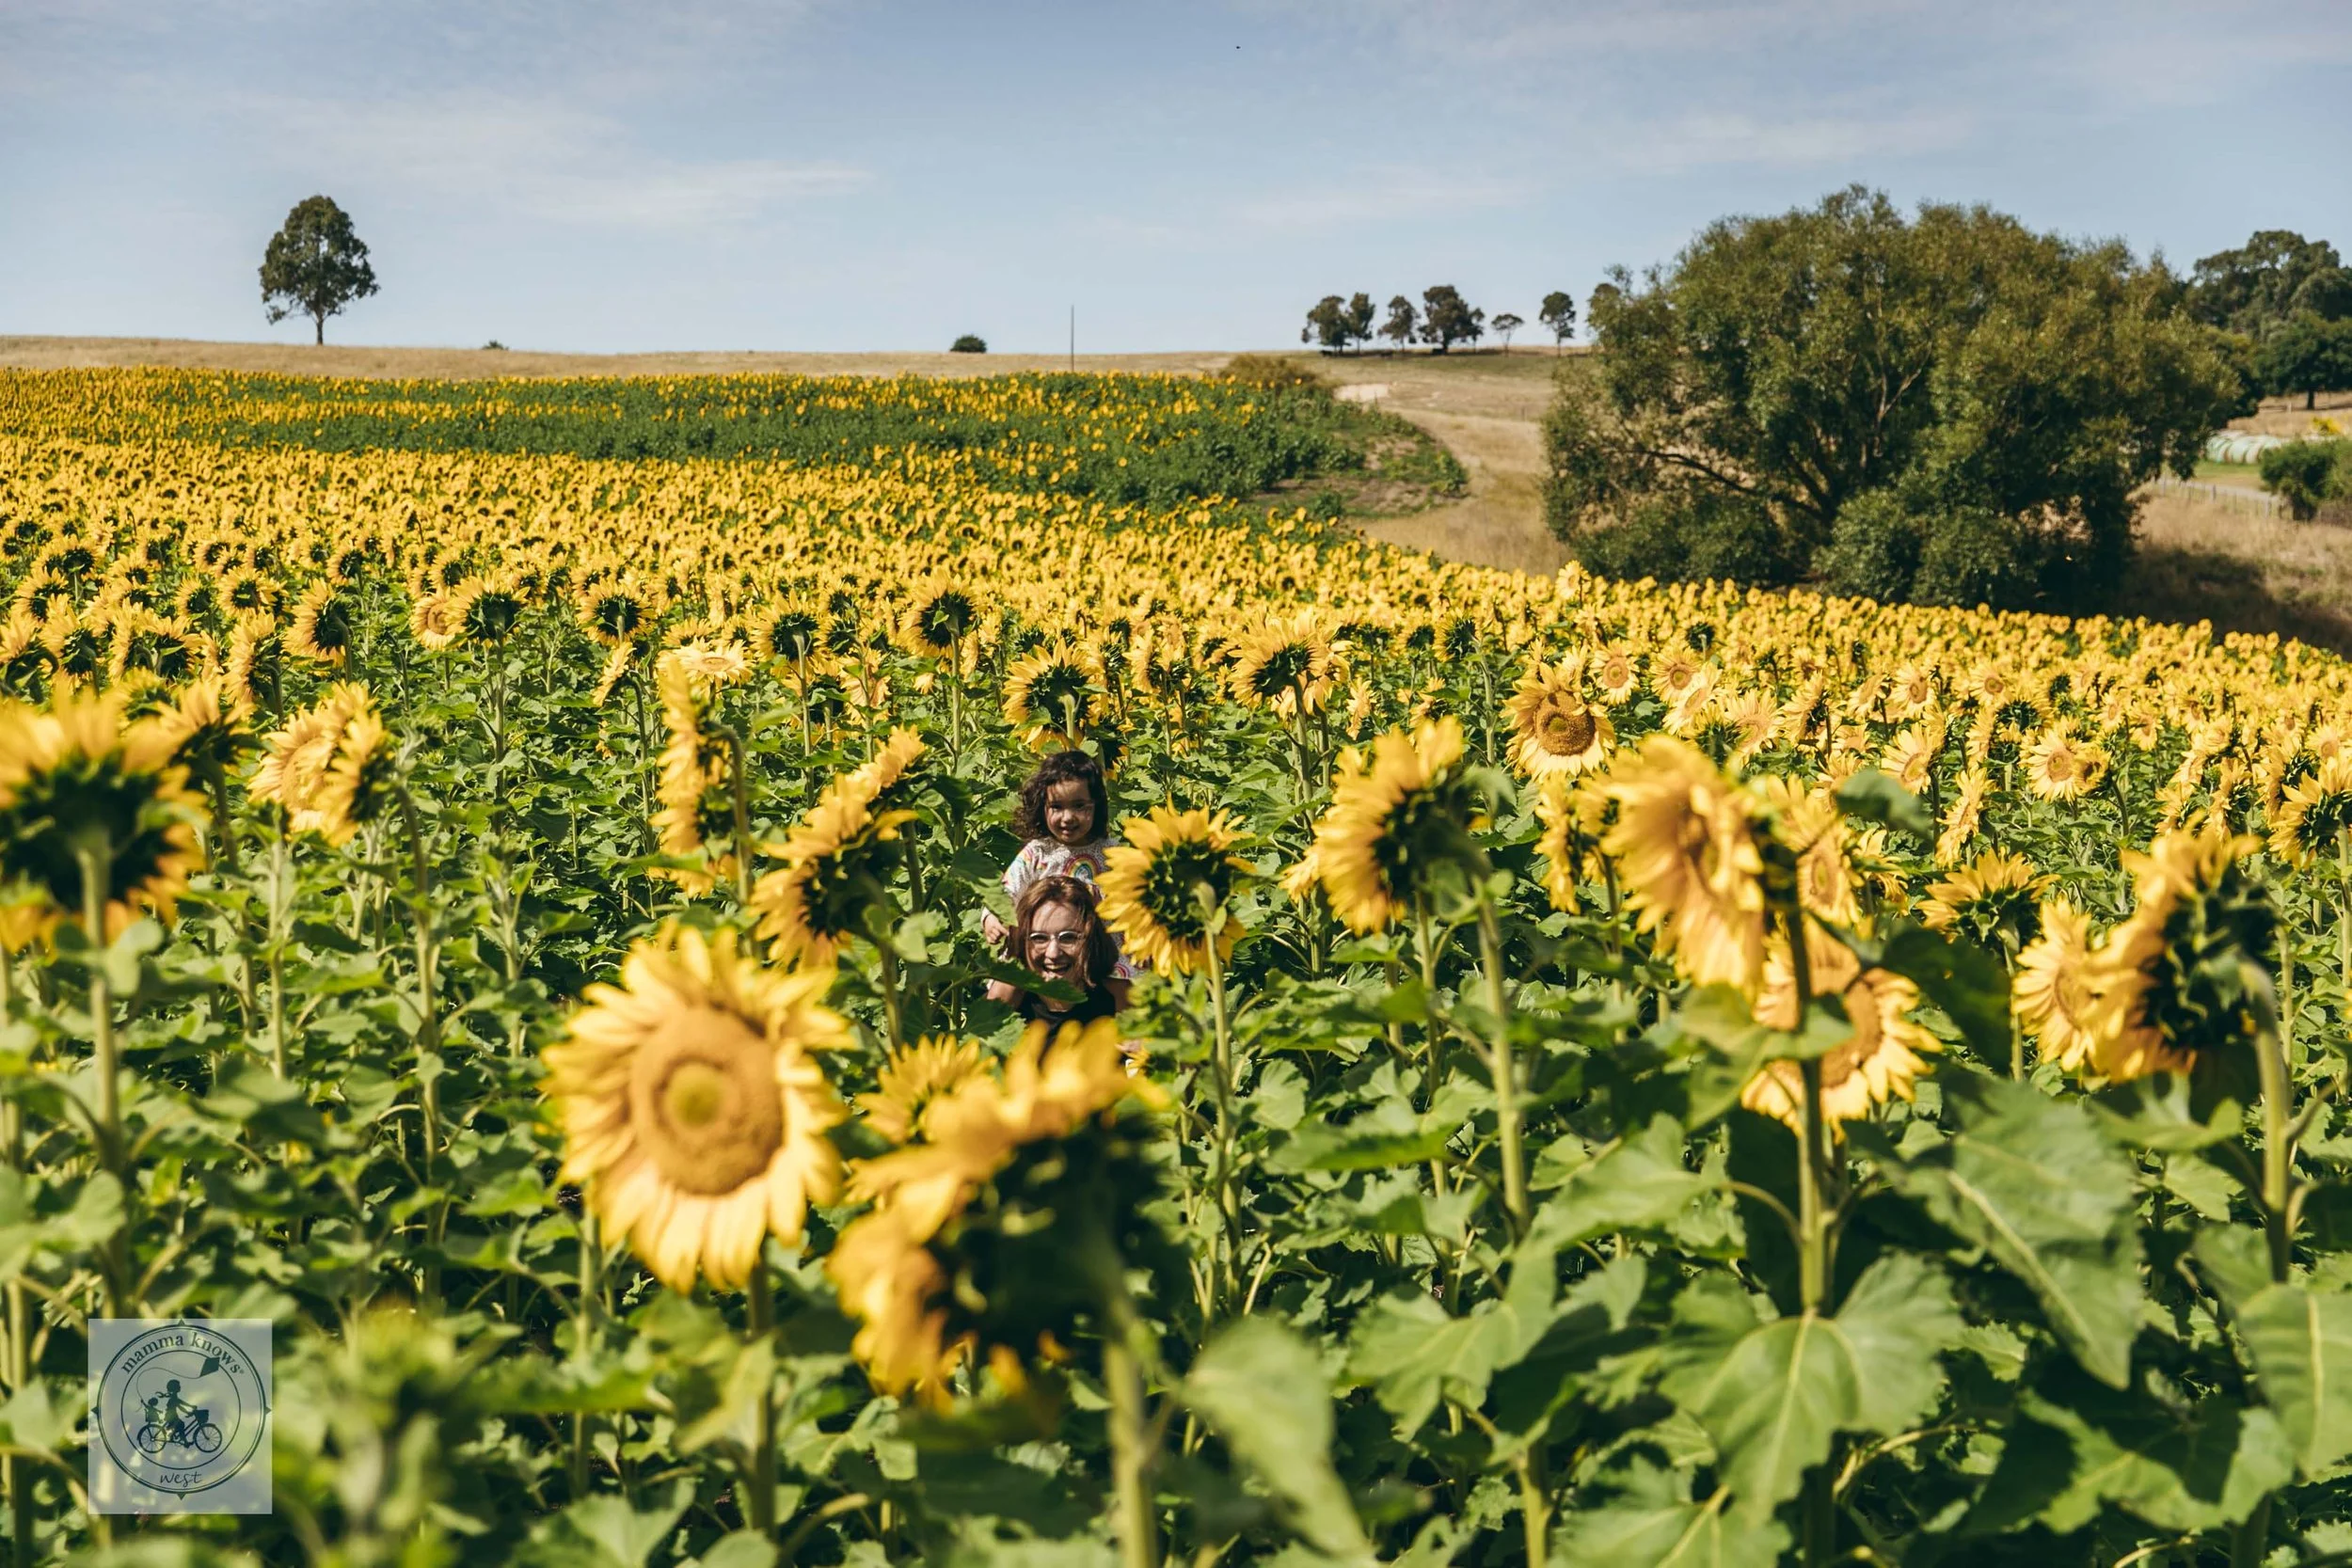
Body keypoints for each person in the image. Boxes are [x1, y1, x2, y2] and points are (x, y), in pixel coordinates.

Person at [980, 750, 1136, 982]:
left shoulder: (1112, 854)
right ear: (1043, 808)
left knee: (1126, 983)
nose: (1067, 817)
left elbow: (1135, 903)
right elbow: (1005, 891)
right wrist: (992, 919)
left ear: (1096, 806)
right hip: (1046, 955)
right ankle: (996, 1016)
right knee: (1009, 978)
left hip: (1102, 955)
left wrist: (1139, 939)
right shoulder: (1038, 853)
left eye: (1079, 806)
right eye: (1057, 807)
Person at [983, 875, 1128, 1023]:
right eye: (1039, 938)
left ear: (1091, 938)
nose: (1053, 953)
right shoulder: (1003, 1009)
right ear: (1021, 940)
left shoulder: (1118, 1002)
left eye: (1068, 938)